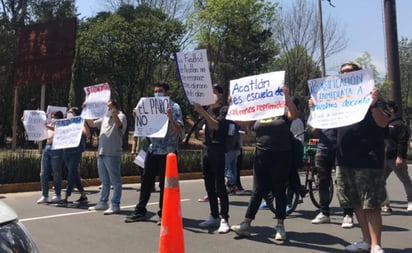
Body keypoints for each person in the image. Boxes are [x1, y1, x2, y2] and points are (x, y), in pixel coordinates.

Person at [230, 85, 299, 241]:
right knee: (257, 190)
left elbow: (294, 115)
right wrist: (233, 105)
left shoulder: (283, 110)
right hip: (261, 156)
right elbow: (243, 122)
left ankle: (280, 226)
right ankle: (246, 224)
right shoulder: (260, 110)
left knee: (279, 190)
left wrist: (287, 96)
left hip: (281, 156)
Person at [334, 61, 389, 253]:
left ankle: (376, 244)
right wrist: (317, 107)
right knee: (355, 202)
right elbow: (321, 125)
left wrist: (374, 104)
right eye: (342, 71)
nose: (345, 73)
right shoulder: (338, 98)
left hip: (368, 158)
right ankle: (365, 239)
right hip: (344, 159)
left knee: (370, 203)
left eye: (349, 71)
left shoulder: (373, 95)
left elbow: (383, 123)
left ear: (359, 73)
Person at [125, 82, 184, 225]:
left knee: (165, 185)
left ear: (167, 92)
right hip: (153, 149)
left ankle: (164, 213)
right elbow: (144, 127)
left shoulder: (174, 107)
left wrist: (170, 118)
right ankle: (140, 210)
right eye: (155, 91)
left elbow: (180, 132)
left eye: (160, 91)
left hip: (168, 152)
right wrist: (137, 116)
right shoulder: (149, 106)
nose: (157, 93)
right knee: (146, 182)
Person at [193, 84, 231, 233]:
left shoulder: (224, 110)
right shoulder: (208, 110)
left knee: (219, 185)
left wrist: (203, 112)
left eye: (215, 91)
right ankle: (214, 215)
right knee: (208, 184)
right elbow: (203, 129)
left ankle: (224, 218)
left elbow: (216, 126)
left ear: (220, 94)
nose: (212, 94)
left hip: (218, 149)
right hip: (206, 148)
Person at [86, 99, 127, 215]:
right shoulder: (105, 117)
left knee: (116, 181)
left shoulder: (121, 116)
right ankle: (103, 202)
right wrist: (86, 110)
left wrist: (113, 112)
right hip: (102, 152)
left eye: (109, 106)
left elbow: (119, 125)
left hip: (113, 153)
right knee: (104, 181)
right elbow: (92, 124)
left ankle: (115, 204)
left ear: (114, 106)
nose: (107, 109)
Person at [309, 127, 354, 228]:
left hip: (341, 149)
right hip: (323, 148)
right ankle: (324, 212)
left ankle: (348, 214)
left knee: (343, 182)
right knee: (322, 182)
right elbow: (314, 130)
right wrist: (315, 128)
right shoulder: (322, 111)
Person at [381, 100, 412, 214]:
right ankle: (386, 204)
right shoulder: (382, 124)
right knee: (380, 181)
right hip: (384, 158)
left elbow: (402, 142)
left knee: (405, 180)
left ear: (391, 110)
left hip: (396, 158)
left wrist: (400, 157)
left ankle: (410, 202)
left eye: (386, 108)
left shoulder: (399, 124)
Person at [61, 107, 89, 204]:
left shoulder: (80, 123)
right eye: (68, 112)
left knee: (71, 173)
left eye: (71, 112)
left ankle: (66, 196)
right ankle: (83, 195)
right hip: (66, 151)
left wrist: (81, 125)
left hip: (76, 152)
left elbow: (86, 133)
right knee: (74, 174)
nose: (69, 113)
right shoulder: (66, 123)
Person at [36, 111, 65, 204]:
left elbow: (58, 130)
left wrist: (47, 126)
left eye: (54, 117)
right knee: (43, 172)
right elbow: (38, 128)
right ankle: (44, 195)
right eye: (52, 117)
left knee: (56, 172)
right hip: (47, 147)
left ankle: (57, 194)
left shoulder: (61, 124)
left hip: (56, 148)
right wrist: (26, 122)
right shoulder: (49, 124)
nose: (52, 118)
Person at [225, 121, 242, 194]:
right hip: (236, 148)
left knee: (226, 167)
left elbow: (230, 136)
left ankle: (230, 184)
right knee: (233, 167)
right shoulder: (235, 123)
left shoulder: (230, 124)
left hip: (230, 149)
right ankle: (233, 186)